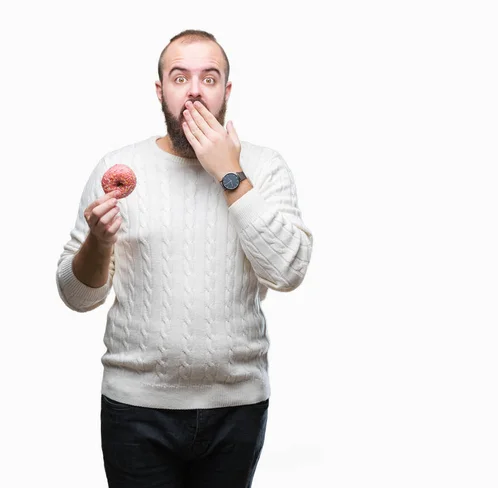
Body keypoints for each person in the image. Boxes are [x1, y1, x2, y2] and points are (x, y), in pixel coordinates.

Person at [55, 29, 313, 488]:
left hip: (237, 407)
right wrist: (98, 241)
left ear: (226, 92)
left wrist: (229, 173)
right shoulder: (117, 165)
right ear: (161, 91)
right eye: (180, 77)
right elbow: (76, 296)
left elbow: (289, 271)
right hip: (135, 410)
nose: (194, 89)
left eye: (209, 78)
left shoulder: (266, 167)